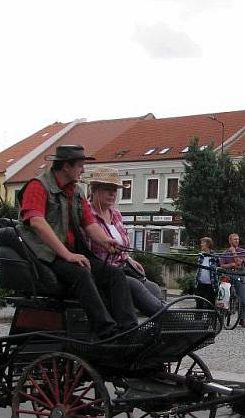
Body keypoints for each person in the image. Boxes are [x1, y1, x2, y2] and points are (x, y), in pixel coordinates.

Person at [17, 144, 137, 340]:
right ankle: (106, 331)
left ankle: (128, 331)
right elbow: (37, 222)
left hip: (71, 253)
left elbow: (89, 224)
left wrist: (106, 241)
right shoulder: (37, 186)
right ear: (66, 166)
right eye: (80, 165)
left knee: (114, 274)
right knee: (81, 273)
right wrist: (68, 255)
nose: (83, 170)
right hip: (46, 255)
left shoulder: (77, 192)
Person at [84, 167, 165, 317]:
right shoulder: (86, 213)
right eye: (108, 189)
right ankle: (169, 319)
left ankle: (161, 322)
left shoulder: (116, 214)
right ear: (94, 190)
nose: (112, 194)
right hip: (102, 272)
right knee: (135, 287)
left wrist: (130, 259)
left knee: (153, 288)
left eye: (115, 190)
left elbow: (122, 246)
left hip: (122, 267)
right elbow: (89, 248)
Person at [219, 233, 245, 327]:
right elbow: (222, 265)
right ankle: (222, 317)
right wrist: (231, 265)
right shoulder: (225, 253)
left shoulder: (242, 251)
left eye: (238, 239)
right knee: (224, 296)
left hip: (239, 275)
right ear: (230, 241)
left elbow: (239, 263)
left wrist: (234, 252)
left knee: (242, 299)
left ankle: (242, 319)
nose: (237, 241)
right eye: (235, 239)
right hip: (228, 275)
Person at [194, 236, 219, 309]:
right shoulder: (200, 256)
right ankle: (198, 320)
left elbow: (219, 268)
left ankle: (210, 320)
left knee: (210, 304)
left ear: (207, 244)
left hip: (211, 284)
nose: (201, 245)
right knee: (199, 304)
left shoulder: (214, 256)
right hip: (200, 284)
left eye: (202, 243)